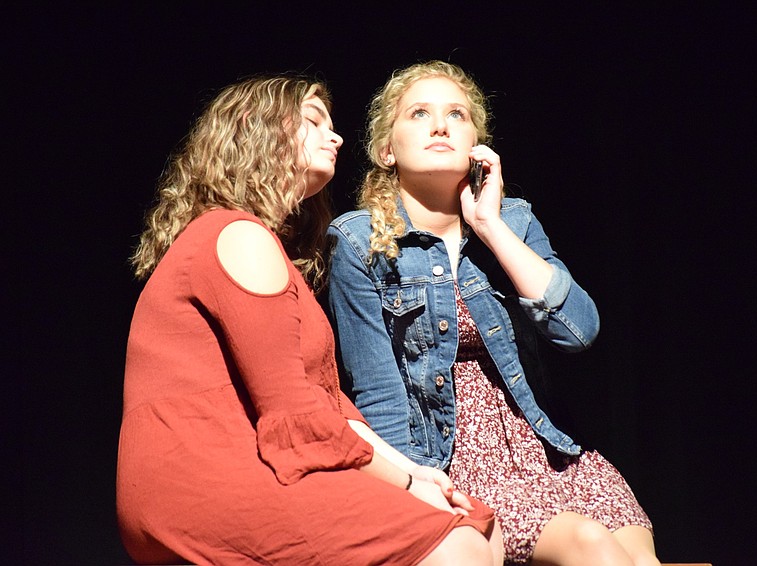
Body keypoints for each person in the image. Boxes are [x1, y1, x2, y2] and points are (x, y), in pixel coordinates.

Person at [117, 74, 503, 565]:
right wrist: (403, 483)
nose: (336, 136)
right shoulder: (236, 234)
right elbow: (295, 412)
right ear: (258, 132)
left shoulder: (259, 242)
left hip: (229, 467)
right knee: (456, 544)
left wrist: (416, 472)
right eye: (313, 121)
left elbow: (329, 404)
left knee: (480, 526)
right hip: (201, 476)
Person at [327, 61, 661, 566]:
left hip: (548, 447)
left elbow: (580, 331)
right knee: (588, 544)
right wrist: (415, 488)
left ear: (478, 147)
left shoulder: (515, 220)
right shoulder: (357, 241)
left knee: (637, 558)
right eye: (420, 113)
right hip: (449, 455)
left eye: (456, 114)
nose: (440, 125)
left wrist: (491, 227)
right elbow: (377, 392)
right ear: (386, 150)